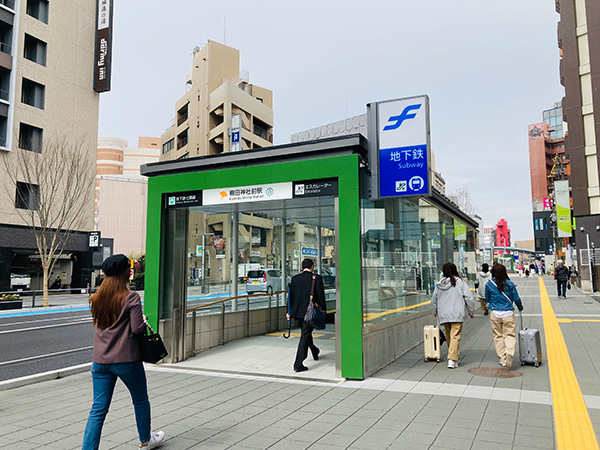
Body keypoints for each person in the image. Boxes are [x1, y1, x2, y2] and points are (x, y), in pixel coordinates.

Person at [82, 254, 164, 450]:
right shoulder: (131, 297)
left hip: (100, 360)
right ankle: (145, 440)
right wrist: (141, 319)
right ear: (124, 273)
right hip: (126, 359)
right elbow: (136, 329)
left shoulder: (96, 298)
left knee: (98, 409)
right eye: (129, 268)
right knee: (140, 400)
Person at [431, 262, 475, 369]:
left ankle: (453, 356)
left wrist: (435, 311)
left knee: (449, 336)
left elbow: (434, 299)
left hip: (444, 314)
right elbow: (469, 298)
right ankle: (452, 359)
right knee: (455, 336)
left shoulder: (439, 284)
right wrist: (471, 311)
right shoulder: (460, 282)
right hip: (457, 313)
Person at [287, 258, 326, 372]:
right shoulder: (316, 278)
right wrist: (323, 310)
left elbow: (290, 297)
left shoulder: (295, 279)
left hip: (297, 312)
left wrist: (289, 312)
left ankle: (314, 350)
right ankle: (298, 364)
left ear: (301, 267)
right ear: (312, 267)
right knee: (305, 335)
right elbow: (320, 295)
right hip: (309, 312)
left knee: (306, 332)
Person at [485, 263, 523, 369]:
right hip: (508, 313)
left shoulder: (489, 284)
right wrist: (520, 307)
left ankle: (502, 359)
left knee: (498, 336)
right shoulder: (510, 284)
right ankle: (509, 353)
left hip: (495, 313)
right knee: (509, 335)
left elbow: (487, 299)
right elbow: (516, 298)